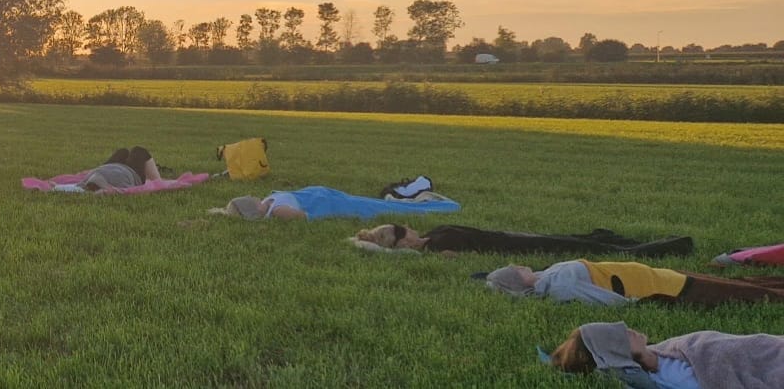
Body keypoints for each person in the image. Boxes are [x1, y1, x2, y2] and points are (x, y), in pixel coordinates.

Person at [548, 321, 783, 389]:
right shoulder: (672, 379)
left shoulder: (665, 349)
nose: (628, 329)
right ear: (616, 352)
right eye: (620, 335)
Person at [486, 259, 784, 306]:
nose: (518, 265)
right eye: (514, 270)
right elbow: (602, 299)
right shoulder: (560, 287)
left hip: (661, 274)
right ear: (518, 281)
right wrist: (634, 304)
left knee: (743, 282)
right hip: (666, 288)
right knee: (751, 294)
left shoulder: (547, 274)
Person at [357, 224, 693, 256]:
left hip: (514, 237)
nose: (409, 227)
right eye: (402, 230)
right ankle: (674, 245)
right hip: (519, 246)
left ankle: (625, 240)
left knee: (579, 239)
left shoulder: (436, 232)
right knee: (587, 248)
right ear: (403, 243)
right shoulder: (438, 247)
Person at [216, 186, 460, 221]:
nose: (254, 197)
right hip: (330, 202)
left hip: (329, 196)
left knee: (373, 203)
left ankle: (423, 204)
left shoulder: (270, 203)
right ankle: (434, 207)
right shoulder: (276, 208)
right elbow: (304, 217)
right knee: (378, 207)